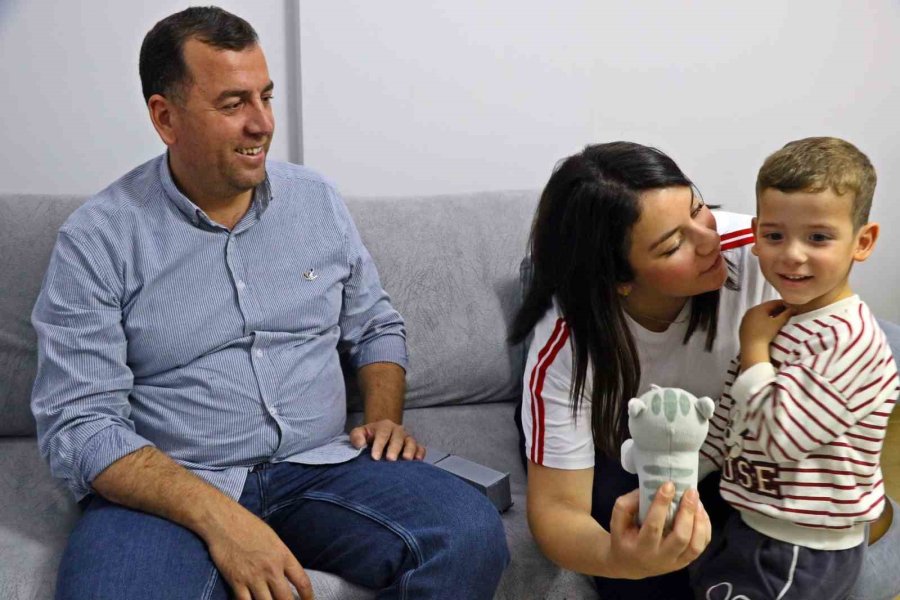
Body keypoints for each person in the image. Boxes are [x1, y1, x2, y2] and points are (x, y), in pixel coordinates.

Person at [30, 7, 508, 600]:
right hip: (175, 486)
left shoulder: (316, 202)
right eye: (233, 104)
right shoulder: (98, 239)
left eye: (266, 97)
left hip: (323, 466)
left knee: (469, 533)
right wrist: (224, 520)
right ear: (165, 117)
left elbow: (376, 326)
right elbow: (81, 425)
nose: (262, 124)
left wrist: (384, 416)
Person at [511, 141, 900, 600]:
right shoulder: (569, 347)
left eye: (699, 209)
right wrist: (622, 559)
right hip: (650, 447)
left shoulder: (765, 252)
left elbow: (842, 344)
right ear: (619, 280)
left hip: (763, 479)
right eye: (673, 244)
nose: (709, 239)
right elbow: (558, 509)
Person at [693, 137, 898, 599]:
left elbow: (781, 437)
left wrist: (753, 348)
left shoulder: (849, 341)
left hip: (802, 546)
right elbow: (735, 416)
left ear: (862, 242)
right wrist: (685, 472)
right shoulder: (781, 321)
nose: (792, 254)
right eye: (774, 236)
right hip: (753, 519)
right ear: (756, 235)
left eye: (818, 237)